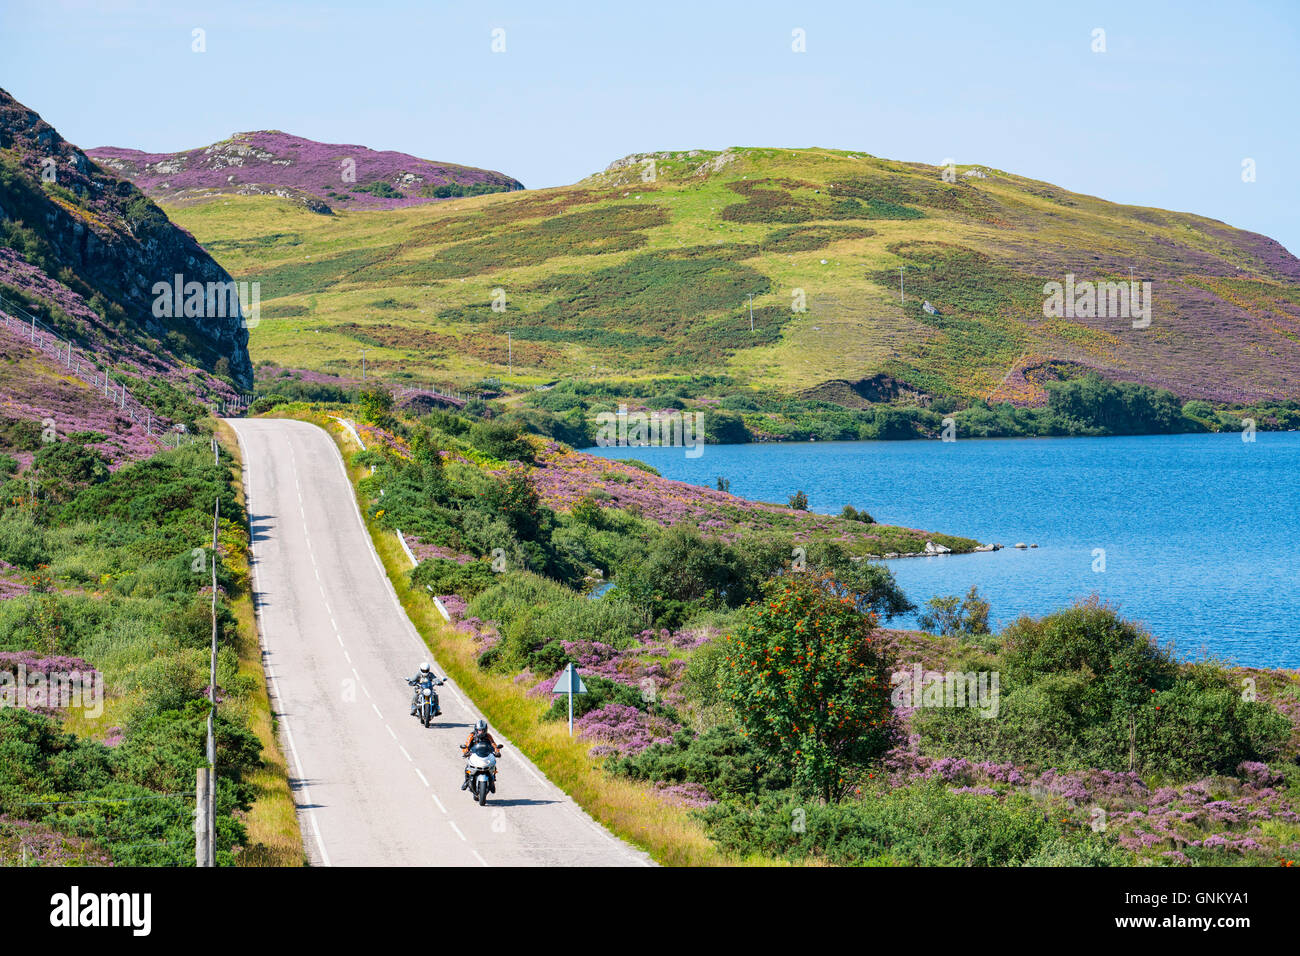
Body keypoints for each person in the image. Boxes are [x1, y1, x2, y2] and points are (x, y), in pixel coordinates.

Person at [460, 719, 501, 788]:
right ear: (476, 729)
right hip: (474, 755)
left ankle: (492, 781)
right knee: (467, 769)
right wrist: (466, 752)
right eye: (479, 730)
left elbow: (493, 744)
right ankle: (466, 781)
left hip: (486, 755)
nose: (481, 732)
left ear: (485, 730)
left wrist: (497, 751)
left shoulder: (488, 736)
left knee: (493, 766)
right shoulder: (471, 736)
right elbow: (466, 745)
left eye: (482, 730)